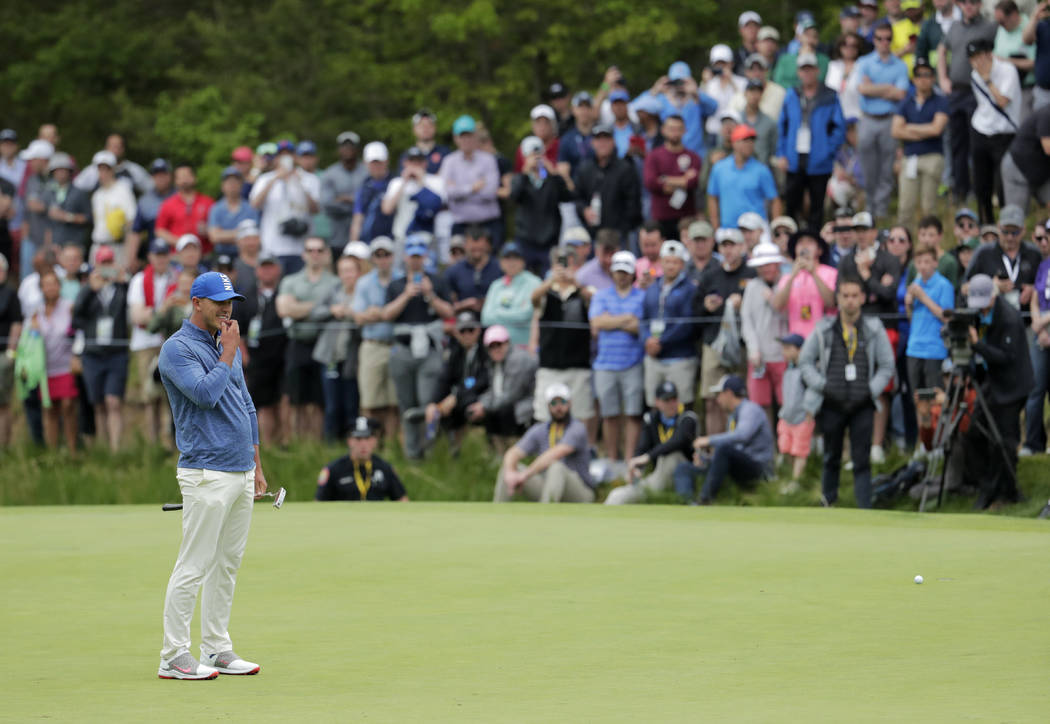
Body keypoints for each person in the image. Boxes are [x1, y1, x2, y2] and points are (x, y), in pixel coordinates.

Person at [156, 271, 266, 680]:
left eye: (230, 300)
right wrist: (228, 353)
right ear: (196, 302)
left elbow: (246, 403)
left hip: (238, 469)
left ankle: (217, 648)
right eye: (218, 300)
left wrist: (255, 462)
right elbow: (204, 395)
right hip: (204, 470)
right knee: (194, 564)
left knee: (227, 564)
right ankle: (173, 655)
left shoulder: (225, 343)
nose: (226, 307)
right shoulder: (176, 349)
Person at [799, 274, 896, 508]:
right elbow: (805, 361)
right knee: (831, 457)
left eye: (855, 296)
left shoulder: (873, 328)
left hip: (862, 403)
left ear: (862, 298)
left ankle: (864, 507)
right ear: (838, 299)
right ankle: (828, 501)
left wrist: (870, 390)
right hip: (832, 401)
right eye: (845, 296)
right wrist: (823, 386)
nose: (850, 301)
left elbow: (887, 365)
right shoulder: (824, 328)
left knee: (861, 459)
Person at [962, 274, 1032, 507]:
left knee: (1004, 441)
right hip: (991, 383)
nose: (980, 309)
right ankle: (986, 486)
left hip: (1012, 386)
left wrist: (977, 344)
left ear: (993, 296)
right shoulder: (976, 315)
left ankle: (1006, 493)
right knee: (973, 433)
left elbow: (1006, 358)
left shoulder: (1009, 318)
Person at [382, 238, 454, 459]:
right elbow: (387, 315)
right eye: (411, 256)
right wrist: (406, 294)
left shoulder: (438, 282)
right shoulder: (396, 285)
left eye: (419, 256)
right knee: (406, 404)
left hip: (429, 351)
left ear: (425, 257)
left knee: (428, 403)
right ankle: (411, 455)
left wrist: (430, 295)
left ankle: (430, 452)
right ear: (405, 258)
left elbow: (449, 313)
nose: (415, 261)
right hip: (403, 351)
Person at [672, 375, 775, 504]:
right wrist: (706, 459)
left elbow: (742, 436)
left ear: (728, 393)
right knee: (683, 468)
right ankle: (687, 504)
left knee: (724, 449)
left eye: (718, 394)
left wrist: (709, 440)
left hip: (759, 468)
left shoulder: (750, 409)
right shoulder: (733, 416)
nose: (717, 399)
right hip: (737, 465)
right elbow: (730, 453)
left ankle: (704, 500)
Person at [275, 237, 340, 440]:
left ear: (326, 253)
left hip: (324, 343)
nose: (315, 254)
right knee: (296, 399)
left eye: (319, 250)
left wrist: (299, 306)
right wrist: (321, 308)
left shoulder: (335, 282)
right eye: (310, 250)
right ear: (303, 254)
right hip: (297, 342)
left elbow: (337, 310)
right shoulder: (290, 280)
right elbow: (284, 309)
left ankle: (315, 443)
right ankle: (298, 442)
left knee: (319, 399)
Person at [775, 52, 847, 232]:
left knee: (817, 207)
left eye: (810, 69)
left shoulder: (829, 96)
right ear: (799, 72)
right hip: (794, 159)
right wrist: (782, 153)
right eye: (803, 69)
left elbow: (839, 127)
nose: (807, 73)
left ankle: (815, 241)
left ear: (817, 71)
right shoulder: (792, 94)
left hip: (819, 162)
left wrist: (827, 151)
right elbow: (782, 125)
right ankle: (789, 242)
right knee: (791, 204)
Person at [530, 247, 595, 442]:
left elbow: (592, 300)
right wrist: (551, 281)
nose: (564, 267)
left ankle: (583, 452)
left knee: (581, 413)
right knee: (544, 414)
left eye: (568, 262)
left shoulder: (584, 289)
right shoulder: (545, 291)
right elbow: (533, 299)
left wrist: (575, 282)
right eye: (560, 262)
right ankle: (545, 450)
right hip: (550, 364)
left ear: (575, 265)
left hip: (578, 364)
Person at [493, 382, 596, 503]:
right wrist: (510, 473)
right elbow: (513, 453)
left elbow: (555, 454)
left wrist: (525, 475)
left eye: (562, 402)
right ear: (548, 406)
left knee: (556, 467)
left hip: (579, 492)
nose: (558, 408)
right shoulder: (540, 429)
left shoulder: (577, 428)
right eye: (553, 403)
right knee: (508, 467)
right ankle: (496, 513)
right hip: (547, 485)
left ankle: (544, 514)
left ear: (570, 403)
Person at [938, 0, 997, 206]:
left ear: (980, 5)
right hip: (956, 92)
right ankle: (960, 190)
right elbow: (942, 50)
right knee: (956, 144)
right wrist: (943, 77)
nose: (969, 6)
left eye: (973, 2)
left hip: (977, 92)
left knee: (977, 143)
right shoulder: (954, 26)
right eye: (965, 2)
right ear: (959, 5)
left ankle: (979, 189)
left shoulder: (989, 28)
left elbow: (995, 55)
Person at [696, 230, 755, 433]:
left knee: (742, 397)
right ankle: (715, 448)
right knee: (713, 400)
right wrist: (706, 306)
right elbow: (694, 312)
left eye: (732, 245)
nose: (728, 250)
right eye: (724, 246)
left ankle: (742, 443)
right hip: (714, 344)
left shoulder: (751, 274)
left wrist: (744, 304)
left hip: (743, 344)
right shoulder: (710, 275)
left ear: (742, 247)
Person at [590, 250, 646, 460]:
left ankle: (630, 460)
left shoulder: (642, 297)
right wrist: (626, 319)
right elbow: (596, 323)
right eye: (618, 271)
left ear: (633, 274)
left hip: (633, 363)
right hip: (605, 364)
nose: (621, 275)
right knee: (609, 415)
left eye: (625, 272)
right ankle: (613, 460)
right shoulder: (601, 296)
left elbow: (639, 327)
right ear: (612, 273)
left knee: (633, 414)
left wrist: (611, 321)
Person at [606, 380, 700, 505]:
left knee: (671, 457)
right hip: (659, 474)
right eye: (667, 400)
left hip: (684, 473)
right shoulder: (651, 419)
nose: (672, 404)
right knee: (616, 496)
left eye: (674, 399)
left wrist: (647, 457)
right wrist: (636, 467)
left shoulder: (688, 417)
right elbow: (642, 447)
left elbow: (678, 442)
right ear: (657, 402)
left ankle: (647, 491)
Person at [72, 246, 129, 451]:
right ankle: (103, 447)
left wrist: (124, 281)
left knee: (113, 401)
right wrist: (89, 289)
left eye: (109, 263)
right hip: (93, 353)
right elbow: (76, 317)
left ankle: (116, 449)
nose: (106, 268)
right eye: (102, 264)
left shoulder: (122, 287)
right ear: (96, 266)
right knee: (98, 403)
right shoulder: (88, 289)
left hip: (116, 352)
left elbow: (131, 305)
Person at [856, 21, 911, 222]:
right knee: (868, 168)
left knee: (887, 168)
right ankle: (870, 209)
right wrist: (888, 88)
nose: (884, 42)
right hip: (868, 119)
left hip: (889, 119)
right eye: (880, 38)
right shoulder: (864, 62)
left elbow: (901, 93)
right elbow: (862, 89)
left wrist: (875, 88)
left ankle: (881, 211)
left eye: (888, 38)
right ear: (874, 40)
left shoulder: (900, 65)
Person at [127, 239, 178, 445]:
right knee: (149, 395)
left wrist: (153, 314)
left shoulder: (175, 278)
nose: (161, 259)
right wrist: (164, 310)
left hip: (169, 342)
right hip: (145, 343)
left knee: (170, 395)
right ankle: (152, 441)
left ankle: (168, 442)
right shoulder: (139, 280)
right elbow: (137, 316)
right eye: (157, 255)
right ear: (150, 257)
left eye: (164, 254)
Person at [967, 38, 1022, 224]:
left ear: (989, 54)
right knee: (981, 184)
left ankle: (1008, 224)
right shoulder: (975, 75)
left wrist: (988, 79)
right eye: (973, 59)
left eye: (979, 57)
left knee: (1003, 183)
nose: (977, 63)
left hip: (1004, 133)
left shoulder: (1008, 71)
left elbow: (1002, 101)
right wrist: (982, 76)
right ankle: (986, 225)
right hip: (981, 129)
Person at [892, 56, 950, 224]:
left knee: (929, 208)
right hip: (909, 157)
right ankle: (903, 246)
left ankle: (930, 246)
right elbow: (895, 131)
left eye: (927, 75)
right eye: (919, 75)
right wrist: (925, 129)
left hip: (932, 156)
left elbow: (937, 129)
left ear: (933, 78)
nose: (923, 79)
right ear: (914, 79)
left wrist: (909, 127)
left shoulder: (940, 101)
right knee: (905, 208)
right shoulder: (906, 102)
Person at [642, 240, 699, 410]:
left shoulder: (689, 288)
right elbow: (643, 318)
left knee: (681, 405)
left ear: (682, 264)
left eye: (675, 262)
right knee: (654, 404)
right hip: (654, 357)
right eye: (667, 261)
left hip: (680, 357)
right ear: (661, 262)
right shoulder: (653, 287)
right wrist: (647, 340)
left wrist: (662, 342)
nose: (670, 266)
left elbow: (687, 323)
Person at [313, 253, 364, 441]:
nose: (347, 275)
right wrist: (331, 310)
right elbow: (315, 313)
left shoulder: (363, 292)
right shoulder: (332, 291)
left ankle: (353, 442)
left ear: (358, 272)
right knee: (332, 404)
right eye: (343, 271)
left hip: (353, 356)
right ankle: (329, 444)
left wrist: (352, 313)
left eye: (350, 270)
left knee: (352, 403)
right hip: (330, 356)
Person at [250, 142, 321, 275]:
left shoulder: (309, 179)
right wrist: (276, 178)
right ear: (276, 158)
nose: (285, 158)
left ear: (295, 157)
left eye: (288, 154)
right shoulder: (266, 179)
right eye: (281, 155)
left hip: (301, 248)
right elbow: (254, 204)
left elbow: (315, 209)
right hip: (272, 247)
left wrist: (299, 182)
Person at [904, 242, 954, 424]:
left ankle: (937, 439)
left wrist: (923, 298)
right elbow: (911, 318)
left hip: (935, 349)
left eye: (927, 261)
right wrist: (909, 304)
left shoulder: (943, 285)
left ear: (935, 263)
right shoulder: (915, 284)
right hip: (914, 348)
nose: (923, 266)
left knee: (935, 397)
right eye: (919, 262)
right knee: (918, 399)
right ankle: (924, 442)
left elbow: (946, 317)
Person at [424, 311, 489, 450]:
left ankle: (470, 452)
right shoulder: (454, 352)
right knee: (434, 412)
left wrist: (456, 395)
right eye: (462, 330)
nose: (467, 334)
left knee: (466, 407)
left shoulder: (486, 351)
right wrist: (433, 403)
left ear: (478, 330)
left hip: (479, 397)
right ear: (456, 333)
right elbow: (444, 379)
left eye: (471, 330)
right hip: (458, 398)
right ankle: (435, 453)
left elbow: (482, 381)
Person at [741, 241, 789, 427]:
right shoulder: (752, 287)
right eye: (763, 265)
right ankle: (767, 447)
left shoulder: (786, 283)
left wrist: (774, 300)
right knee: (760, 405)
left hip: (783, 354)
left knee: (787, 403)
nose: (767, 269)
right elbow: (747, 320)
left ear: (777, 264)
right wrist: (753, 348)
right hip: (759, 356)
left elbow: (789, 313)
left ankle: (786, 447)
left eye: (770, 264)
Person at [508, 136, 573, 275]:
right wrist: (525, 172)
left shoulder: (551, 180)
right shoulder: (520, 179)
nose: (536, 159)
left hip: (549, 240)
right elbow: (514, 196)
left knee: (552, 276)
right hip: (526, 240)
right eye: (532, 155)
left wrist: (553, 172)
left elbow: (567, 196)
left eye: (539, 155)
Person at [31, 269, 78, 454]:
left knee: (68, 405)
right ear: (42, 289)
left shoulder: (69, 307)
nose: (50, 288)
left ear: (59, 286)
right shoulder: (37, 313)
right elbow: (30, 341)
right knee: (49, 410)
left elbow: (78, 332)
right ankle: (53, 453)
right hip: (45, 368)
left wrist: (76, 356)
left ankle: (72, 449)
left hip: (66, 365)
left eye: (53, 284)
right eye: (46, 284)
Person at [471, 324, 537, 451]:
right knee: (489, 413)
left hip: (528, 405)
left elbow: (511, 395)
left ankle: (511, 453)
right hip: (511, 404)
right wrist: (479, 404)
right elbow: (494, 390)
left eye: (499, 344)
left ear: (507, 343)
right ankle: (498, 454)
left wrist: (484, 407)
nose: (496, 349)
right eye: (492, 346)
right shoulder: (494, 363)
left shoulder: (518, 360)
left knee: (499, 412)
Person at [572, 124, 642, 243]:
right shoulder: (585, 169)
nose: (602, 143)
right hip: (593, 234)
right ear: (592, 143)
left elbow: (633, 203)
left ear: (613, 142)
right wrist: (584, 210)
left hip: (620, 235)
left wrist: (623, 228)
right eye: (599, 139)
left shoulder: (625, 168)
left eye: (606, 139)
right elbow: (577, 198)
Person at [440, 115, 502, 245]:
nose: (466, 140)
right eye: (462, 136)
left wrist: (460, 192)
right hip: (461, 226)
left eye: (469, 135)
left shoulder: (489, 160)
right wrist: (472, 188)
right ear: (455, 138)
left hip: (488, 224)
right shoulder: (449, 162)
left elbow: (490, 193)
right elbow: (448, 193)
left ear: (476, 137)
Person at [964, 204, 1040, 309]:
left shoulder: (1034, 253)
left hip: (1027, 318)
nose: (1010, 237)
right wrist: (990, 286)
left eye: (1015, 232)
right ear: (998, 227)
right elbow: (964, 288)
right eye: (1005, 232)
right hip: (993, 319)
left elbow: (1045, 284)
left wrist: (1034, 290)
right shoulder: (984, 252)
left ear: (1023, 230)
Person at [315, 416, 408, 501]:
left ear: (375, 441)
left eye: (367, 438)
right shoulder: (334, 470)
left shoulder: (384, 468)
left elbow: (402, 500)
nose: (363, 444)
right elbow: (319, 503)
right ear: (349, 441)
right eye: (358, 439)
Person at [707, 124, 781, 229]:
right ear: (734, 143)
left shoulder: (761, 170)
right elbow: (712, 197)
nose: (750, 144)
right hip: (729, 229)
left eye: (752, 140)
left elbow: (774, 200)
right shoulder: (719, 168)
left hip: (756, 230)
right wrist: (715, 226)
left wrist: (775, 228)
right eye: (745, 140)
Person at [643, 115, 702, 239]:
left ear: (684, 130)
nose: (675, 133)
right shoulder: (654, 156)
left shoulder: (693, 157)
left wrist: (664, 179)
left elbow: (694, 182)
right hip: (661, 219)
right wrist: (683, 180)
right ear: (663, 130)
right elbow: (651, 182)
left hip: (687, 219)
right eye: (671, 128)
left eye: (678, 129)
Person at [773, 229, 838, 338]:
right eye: (800, 242)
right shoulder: (788, 277)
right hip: (796, 339)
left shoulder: (831, 273)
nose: (804, 246)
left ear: (819, 250)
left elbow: (831, 302)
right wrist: (792, 276)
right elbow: (778, 305)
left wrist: (813, 273)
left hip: (823, 337)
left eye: (810, 242)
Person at [481, 242, 542, 348]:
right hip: (496, 348)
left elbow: (526, 314)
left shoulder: (534, 282)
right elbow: (485, 318)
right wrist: (513, 314)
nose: (511, 262)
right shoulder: (496, 285)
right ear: (501, 262)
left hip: (524, 346)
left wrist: (498, 312)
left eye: (516, 258)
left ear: (523, 261)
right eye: (507, 258)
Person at [775, 333, 812, 492]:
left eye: (788, 348)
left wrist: (810, 411)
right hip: (787, 418)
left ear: (800, 350)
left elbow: (813, 393)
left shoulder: (807, 371)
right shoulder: (787, 370)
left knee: (799, 451)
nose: (784, 352)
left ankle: (796, 482)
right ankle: (790, 479)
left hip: (802, 419)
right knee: (786, 448)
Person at [320, 131, 367, 252]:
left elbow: (371, 202)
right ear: (339, 149)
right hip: (337, 238)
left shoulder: (367, 172)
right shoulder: (330, 173)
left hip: (365, 236)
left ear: (357, 149)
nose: (348, 149)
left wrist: (345, 199)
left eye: (351, 146)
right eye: (344, 146)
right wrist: (358, 206)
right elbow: (327, 205)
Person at [89, 150, 137, 266]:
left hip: (116, 246)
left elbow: (132, 222)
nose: (103, 173)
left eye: (106, 169)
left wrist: (130, 254)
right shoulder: (97, 195)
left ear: (113, 170)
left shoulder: (123, 190)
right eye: (100, 169)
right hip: (97, 245)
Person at [155, 164, 213, 256]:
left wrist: (207, 231)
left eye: (187, 176)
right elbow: (160, 230)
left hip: (204, 254)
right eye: (181, 177)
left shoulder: (208, 202)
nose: (184, 180)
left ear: (194, 178)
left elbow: (217, 227)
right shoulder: (168, 204)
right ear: (175, 181)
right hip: (177, 256)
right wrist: (181, 243)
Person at [1001, 102, 1050, 212]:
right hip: (1018, 169)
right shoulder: (1047, 114)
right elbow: (1048, 148)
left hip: (1042, 173)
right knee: (1016, 218)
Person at [444, 224, 501, 314]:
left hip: (496, 317)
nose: (476, 251)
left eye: (479, 248)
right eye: (473, 249)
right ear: (465, 245)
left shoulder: (500, 268)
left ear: (487, 245)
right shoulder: (453, 272)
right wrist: (464, 305)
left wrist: (487, 302)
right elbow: (448, 305)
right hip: (464, 321)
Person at [206, 167, 258, 258]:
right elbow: (214, 237)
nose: (232, 185)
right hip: (222, 256)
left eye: (235, 182)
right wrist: (241, 233)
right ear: (222, 186)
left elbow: (254, 236)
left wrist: (223, 234)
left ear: (241, 185)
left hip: (246, 257)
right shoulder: (216, 208)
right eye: (229, 182)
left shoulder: (250, 208)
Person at [44, 152, 92, 250]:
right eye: (57, 170)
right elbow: (48, 224)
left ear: (69, 172)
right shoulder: (50, 192)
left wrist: (67, 217)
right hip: (55, 245)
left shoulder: (79, 193)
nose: (60, 173)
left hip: (74, 244)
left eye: (63, 170)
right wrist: (48, 246)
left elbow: (88, 218)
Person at [349, 142, 394, 243]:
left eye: (380, 162)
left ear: (387, 161)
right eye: (373, 163)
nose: (376, 166)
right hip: (367, 241)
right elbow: (357, 219)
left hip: (391, 241)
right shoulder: (363, 186)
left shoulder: (396, 182)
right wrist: (353, 244)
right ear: (365, 163)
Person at [0, 253, 22, 448]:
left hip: (2, 353)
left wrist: (11, 352)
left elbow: (17, 324)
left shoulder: (10, 294)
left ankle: (3, 445)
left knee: (2, 402)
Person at [826, 33, 865, 121]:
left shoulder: (863, 66)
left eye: (853, 45)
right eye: (845, 44)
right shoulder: (832, 66)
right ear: (839, 46)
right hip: (835, 117)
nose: (849, 48)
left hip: (859, 116)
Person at [401, 108, 451, 174]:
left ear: (435, 128)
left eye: (429, 125)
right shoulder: (407, 155)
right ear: (414, 129)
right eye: (421, 125)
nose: (425, 128)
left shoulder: (446, 153)